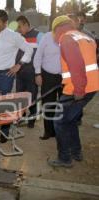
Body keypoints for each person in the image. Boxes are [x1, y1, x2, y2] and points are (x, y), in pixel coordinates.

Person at [47, 16, 99, 168]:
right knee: (70, 120)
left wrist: (78, 88)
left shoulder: (67, 39)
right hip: (92, 86)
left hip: (79, 88)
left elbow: (77, 65)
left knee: (59, 121)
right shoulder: (84, 37)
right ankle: (76, 152)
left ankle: (65, 158)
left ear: (57, 29)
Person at [0, 10, 33, 143]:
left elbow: (29, 50)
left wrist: (19, 65)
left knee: (4, 105)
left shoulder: (14, 36)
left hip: (6, 75)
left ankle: (4, 133)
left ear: (5, 23)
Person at [33, 31, 62, 140]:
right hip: (48, 76)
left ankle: (60, 132)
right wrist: (38, 74)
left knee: (64, 105)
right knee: (48, 104)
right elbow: (38, 56)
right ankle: (49, 131)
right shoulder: (46, 37)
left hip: (65, 77)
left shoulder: (69, 37)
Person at [16, 15, 43, 128]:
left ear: (26, 24)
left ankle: (31, 119)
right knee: (20, 96)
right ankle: (20, 117)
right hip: (20, 72)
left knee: (32, 96)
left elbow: (42, 54)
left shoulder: (39, 35)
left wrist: (39, 73)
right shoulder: (18, 36)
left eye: (20, 26)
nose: (18, 29)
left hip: (32, 72)